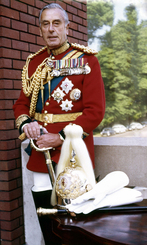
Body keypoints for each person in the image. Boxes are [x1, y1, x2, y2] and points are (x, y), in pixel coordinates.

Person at [13, 3, 105, 244]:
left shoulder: (86, 60)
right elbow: (21, 105)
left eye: (56, 23)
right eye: (46, 24)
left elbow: (95, 112)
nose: (51, 29)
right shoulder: (34, 63)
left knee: (75, 219)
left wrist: (61, 136)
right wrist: (27, 125)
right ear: (40, 29)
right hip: (40, 149)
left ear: (67, 27)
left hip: (73, 150)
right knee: (47, 216)